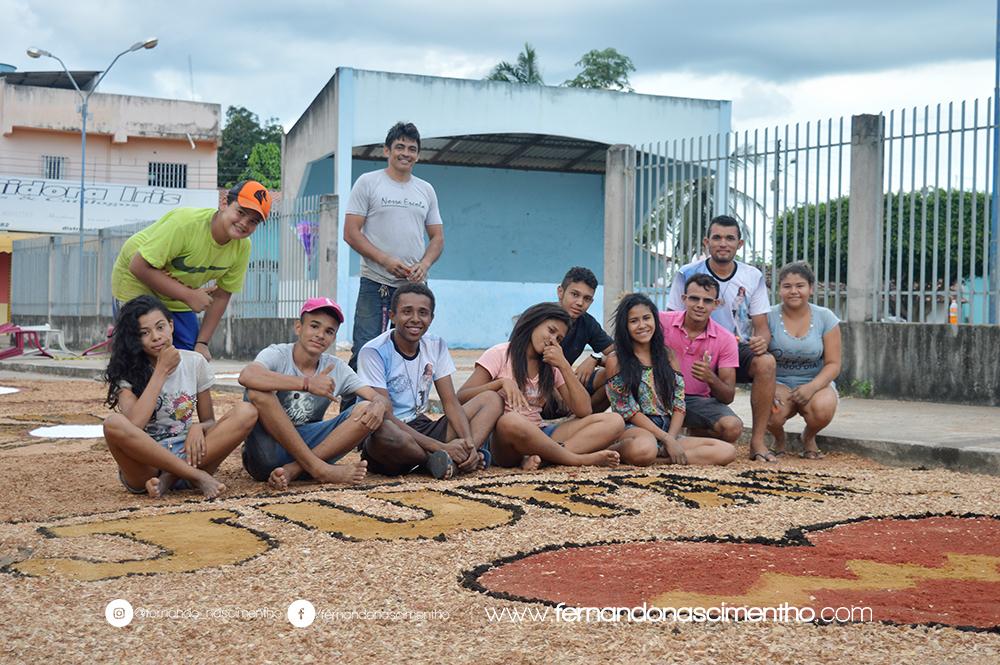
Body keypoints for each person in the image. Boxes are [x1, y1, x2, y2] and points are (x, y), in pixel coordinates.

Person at [102, 295, 258, 499]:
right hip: (146, 467)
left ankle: (171, 477)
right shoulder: (127, 371)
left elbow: (209, 421)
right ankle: (193, 476)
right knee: (113, 423)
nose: (156, 337)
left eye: (160, 327)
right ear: (135, 339)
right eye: (145, 333)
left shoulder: (195, 362)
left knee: (247, 411)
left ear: (171, 326)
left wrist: (197, 428)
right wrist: (161, 371)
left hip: (189, 452)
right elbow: (135, 425)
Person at [110, 180, 271, 360]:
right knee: (142, 353)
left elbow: (223, 294)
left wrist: (202, 343)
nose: (244, 223)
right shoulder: (185, 223)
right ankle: (122, 341)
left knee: (188, 357)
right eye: (240, 212)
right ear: (224, 202)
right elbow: (138, 266)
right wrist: (189, 296)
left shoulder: (243, 247)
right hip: (136, 278)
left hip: (178, 291)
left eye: (253, 221)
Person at [238, 297, 388, 489]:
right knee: (258, 392)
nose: (320, 335)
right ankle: (319, 469)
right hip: (266, 451)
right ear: (298, 327)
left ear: (333, 338)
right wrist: (307, 383)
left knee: (367, 409)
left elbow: (375, 396)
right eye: (314, 326)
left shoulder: (336, 367)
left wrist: (379, 404)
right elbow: (248, 376)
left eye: (329, 331)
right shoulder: (277, 354)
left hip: (306, 446)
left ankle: (296, 469)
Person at [357, 283, 503, 479]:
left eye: (423, 313)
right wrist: (440, 447)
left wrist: (468, 443)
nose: (415, 319)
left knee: (491, 400)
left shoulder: (436, 345)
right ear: (392, 316)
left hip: (422, 427)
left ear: (431, 318)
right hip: (392, 432)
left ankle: (465, 458)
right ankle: (432, 461)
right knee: (385, 433)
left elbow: (451, 403)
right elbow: (386, 415)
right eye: (407, 312)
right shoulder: (373, 351)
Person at [457, 303, 624, 470]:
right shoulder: (500, 354)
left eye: (559, 339)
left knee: (614, 421)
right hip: (504, 441)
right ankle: (574, 459)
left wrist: (564, 366)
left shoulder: (550, 364)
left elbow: (584, 410)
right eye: (551, 331)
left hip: (540, 433)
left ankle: (545, 458)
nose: (553, 340)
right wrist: (500, 383)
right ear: (533, 323)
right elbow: (462, 396)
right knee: (510, 420)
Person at [666, 215, 778, 462]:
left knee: (766, 362)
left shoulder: (753, 276)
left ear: (740, 244)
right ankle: (692, 428)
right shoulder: (686, 273)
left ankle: (757, 442)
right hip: (694, 347)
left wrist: (762, 341)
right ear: (707, 242)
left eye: (730, 238)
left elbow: (762, 327)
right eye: (717, 237)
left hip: (734, 347)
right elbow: (672, 321)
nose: (723, 243)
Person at [344, 122, 444, 379]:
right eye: (399, 147)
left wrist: (425, 264)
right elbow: (351, 232)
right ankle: (353, 413)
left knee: (409, 352)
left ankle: (401, 412)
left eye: (412, 149)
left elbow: (437, 238)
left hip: (412, 288)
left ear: (418, 155)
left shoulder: (426, 189)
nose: (405, 153)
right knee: (365, 350)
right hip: (375, 283)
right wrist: (385, 260)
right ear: (386, 151)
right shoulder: (368, 183)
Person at [606, 293, 737, 466]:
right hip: (634, 429)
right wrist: (666, 439)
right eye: (634, 321)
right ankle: (646, 453)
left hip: (668, 428)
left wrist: (672, 438)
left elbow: (679, 403)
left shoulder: (668, 356)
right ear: (625, 326)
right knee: (644, 449)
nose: (642, 325)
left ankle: (663, 460)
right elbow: (627, 410)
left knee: (727, 451)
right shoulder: (616, 360)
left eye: (647, 318)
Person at [661, 274, 750, 452]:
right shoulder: (661, 321)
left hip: (697, 401)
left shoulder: (726, 339)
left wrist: (710, 378)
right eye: (694, 298)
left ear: (716, 304)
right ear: (684, 299)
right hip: (659, 395)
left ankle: (691, 437)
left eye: (707, 301)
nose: (700, 305)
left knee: (732, 428)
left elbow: (728, 396)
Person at [766, 262, 842, 459]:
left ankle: (808, 437)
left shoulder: (826, 318)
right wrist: (768, 388)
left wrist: (812, 386)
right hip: (779, 382)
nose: (794, 291)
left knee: (823, 408)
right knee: (768, 408)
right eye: (787, 286)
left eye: (800, 286)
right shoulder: (767, 317)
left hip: (814, 381)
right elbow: (759, 358)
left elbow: (833, 363)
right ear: (779, 289)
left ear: (810, 288)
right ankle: (779, 439)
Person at [541, 266, 617, 418]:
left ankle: (579, 421)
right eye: (575, 294)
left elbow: (620, 354)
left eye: (587, 298)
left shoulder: (587, 323)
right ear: (560, 292)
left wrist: (595, 358)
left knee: (614, 373)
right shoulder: (540, 318)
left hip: (565, 383)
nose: (580, 303)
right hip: (536, 388)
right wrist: (555, 390)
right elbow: (520, 364)